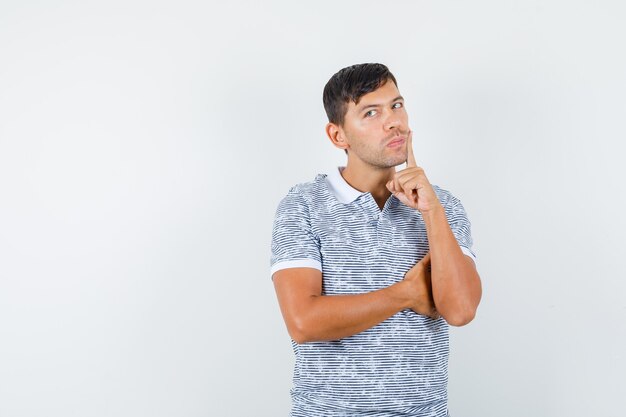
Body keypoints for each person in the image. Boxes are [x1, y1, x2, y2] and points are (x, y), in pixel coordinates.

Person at [270, 63, 482, 417]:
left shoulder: (442, 206)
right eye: (371, 112)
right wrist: (407, 293)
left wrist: (431, 211)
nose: (393, 121)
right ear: (339, 136)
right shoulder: (304, 205)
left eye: (396, 106)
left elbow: (459, 310)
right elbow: (304, 322)